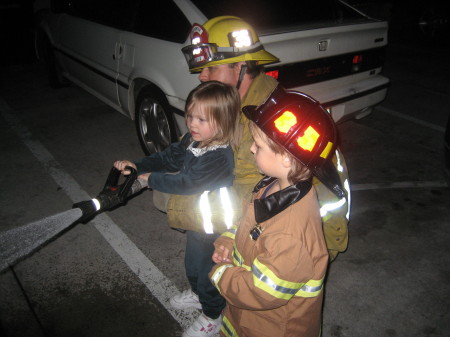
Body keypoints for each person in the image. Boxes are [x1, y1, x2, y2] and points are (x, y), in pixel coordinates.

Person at [209, 86, 345, 337]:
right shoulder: (271, 187)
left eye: (258, 146)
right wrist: (228, 240)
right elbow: (246, 223)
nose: (251, 149)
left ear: (287, 158)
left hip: (272, 327)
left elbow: (262, 292)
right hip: (248, 317)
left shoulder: (291, 234)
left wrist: (221, 275)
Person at [113, 81, 241, 337]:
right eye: (191, 115)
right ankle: (197, 294)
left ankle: (213, 315)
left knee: (207, 273)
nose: (192, 123)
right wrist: (138, 166)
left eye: (202, 119)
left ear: (223, 122)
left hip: (214, 226)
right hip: (198, 221)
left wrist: (151, 179)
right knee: (193, 266)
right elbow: (168, 157)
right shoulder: (193, 140)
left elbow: (187, 183)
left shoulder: (219, 156)